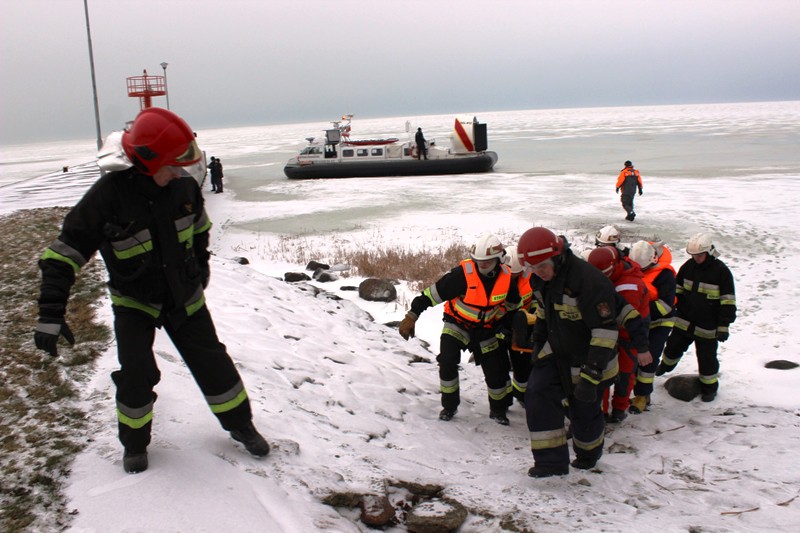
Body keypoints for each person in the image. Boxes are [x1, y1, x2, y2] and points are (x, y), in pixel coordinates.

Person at [34, 108, 269, 474]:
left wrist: (200, 266)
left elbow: (200, 229)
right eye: (172, 165)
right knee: (136, 375)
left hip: (184, 298)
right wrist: (50, 314)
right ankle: (134, 444)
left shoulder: (184, 188)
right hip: (135, 303)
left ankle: (241, 425)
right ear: (148, 161)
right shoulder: (106, 199)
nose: (179, 172)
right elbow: (62, 256)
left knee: (214, 364)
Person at [516, 227, 619, 477]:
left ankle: (588, 454)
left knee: (584, 413)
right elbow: (543, 315)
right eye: (533, 268)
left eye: (541, 266)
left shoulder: (589, 282)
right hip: (556, 354)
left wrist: (591, 374)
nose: (538, 272)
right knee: (537, 394)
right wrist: (538, 345)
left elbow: (604, 332)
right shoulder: (541, 279)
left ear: (557, 256)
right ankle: (550, 464)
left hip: (591, 359)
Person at [398, 233, 520, 424]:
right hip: (457, 325)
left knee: (496, 371)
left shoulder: (507, 279)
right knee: (447, 362)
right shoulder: (461, 276)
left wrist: (506, 327)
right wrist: (411, 316)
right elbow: (429, 296)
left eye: (487, 261)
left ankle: (498, 410)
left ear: (499, 259)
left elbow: (513, 306)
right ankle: (449, 406)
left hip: (487, 330)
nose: (483, 264)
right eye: (479, 260)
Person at [656, 233, 736, 402]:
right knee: (672, 347)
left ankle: (709, 388)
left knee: (707, 358)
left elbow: (728, 301)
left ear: (709, 252)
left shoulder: (721, 272)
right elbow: (677, 289)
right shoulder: (688, 267)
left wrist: (723, 326)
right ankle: (665, 366)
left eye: (699, 255)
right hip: (684, 320)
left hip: (707, 326)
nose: (696, 259)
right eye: (693, 256)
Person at [586, 246, 652, 422]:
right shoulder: (607, 276)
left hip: (627, 336)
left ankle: (619, 409)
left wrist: (642, 347)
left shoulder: (629, 287)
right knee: (604, 372)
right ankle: (602, 411)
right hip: (610, 332)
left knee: (624, 374)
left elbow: (627, 319)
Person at [628, 240, 677, 413]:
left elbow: (666, 306)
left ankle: (643, 396)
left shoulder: (665, 276)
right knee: (632, 358)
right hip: (639, 322)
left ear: (653, 260)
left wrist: (642, 311)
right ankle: (633, 390)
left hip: (659, 323)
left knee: (649, 358)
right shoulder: (630, 269)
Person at [499, 245, 534, 405]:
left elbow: (536, 302)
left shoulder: (531, 279)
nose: (512, 278)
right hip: (500, 327)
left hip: (522, 327)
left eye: (516, 275)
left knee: (523, 365)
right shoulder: (497, 279)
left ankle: (521, 395)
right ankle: (504, 400)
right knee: (499, 367)